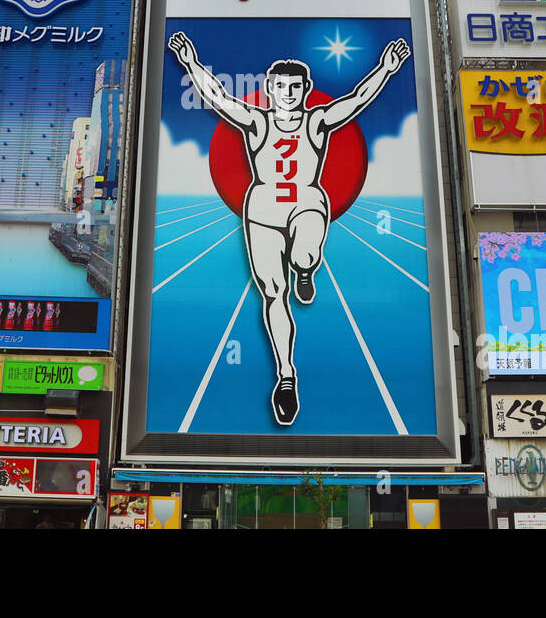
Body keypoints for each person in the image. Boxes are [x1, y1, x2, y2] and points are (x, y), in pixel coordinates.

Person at [168, 31, 410, 425]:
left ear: (305, 89)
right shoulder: (256, 123)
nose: (288, 93)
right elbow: (217, 98)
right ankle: (285, 375)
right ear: (271, 89)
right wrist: (192, 63)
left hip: (307, 202)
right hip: (262, 209)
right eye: (281, 86)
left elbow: (355, 101)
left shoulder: (317, 122)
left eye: (296, 87)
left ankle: (305, 269)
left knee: (305, 252)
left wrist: (385, 69)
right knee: (272, 293)